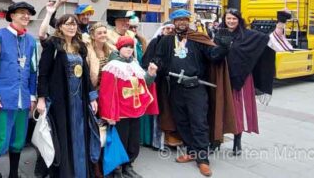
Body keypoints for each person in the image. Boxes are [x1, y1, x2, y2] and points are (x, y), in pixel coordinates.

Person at [151, 9, 236, 177]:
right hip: (175, 88)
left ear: (188, 21)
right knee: (182, 121)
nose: (181, 22)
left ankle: (203, 160)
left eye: (184, 19)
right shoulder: (167, 41)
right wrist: (155, 64)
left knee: (199, 123)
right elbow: (159, 57)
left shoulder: (198, 39)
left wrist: (224, 47)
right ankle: (191, 151)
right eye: (178, 20)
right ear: (173, 22)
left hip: (195, 88)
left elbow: (213, 56)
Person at [221, 9, 293, 155]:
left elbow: (271, 40)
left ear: (239, 20)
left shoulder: (249, 35)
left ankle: (237, 141)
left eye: (234, 18)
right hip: (221, 77)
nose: (231, 21)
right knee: (220, 109)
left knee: (238, 111)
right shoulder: (219, 33)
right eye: (228, 18)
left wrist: (281, 22)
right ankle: (216, 140)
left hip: (241, 79)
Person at [37, 14, 99, 178]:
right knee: (63, 138)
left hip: (79, 100)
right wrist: (41, 98)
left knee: (81, 135)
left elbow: (85, 73)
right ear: (60, 27)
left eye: (74, 24)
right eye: (68, 24)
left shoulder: (80, 46)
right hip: (60, 101)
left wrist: (92, 96)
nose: (72, 27)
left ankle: (81, 173)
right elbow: (43, 73)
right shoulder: (53, 45)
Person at [0, 2, 39, 178]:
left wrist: (33, 95)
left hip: (23, 99)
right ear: (12, 16)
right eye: (21, 13)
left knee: (19, 139)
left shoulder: (30, 40)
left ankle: (14, 173)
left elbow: (33, 71)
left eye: (28, 13)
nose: (26, 16)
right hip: (3, 98)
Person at [98, 36, 158, 178]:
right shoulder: (112, 66)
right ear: (119, 49)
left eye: (131, 47)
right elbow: (106, 94)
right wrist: (109, 115)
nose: (129, 50)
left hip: (135, 111)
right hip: (120, 113)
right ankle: (117, 169)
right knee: (120, 143)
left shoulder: (135, 64)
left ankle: (128, 166)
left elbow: (144, 85)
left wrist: (150, 73)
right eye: (126, 47)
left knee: (133, 142)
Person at [86, 22, 116, 88]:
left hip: (109, 88)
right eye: (99, 33)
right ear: (93, 36)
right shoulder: (88, 52)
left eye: (105, 32)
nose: (103, 35)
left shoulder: (111, 50)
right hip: (95, 89)